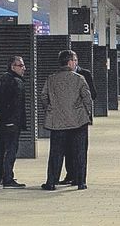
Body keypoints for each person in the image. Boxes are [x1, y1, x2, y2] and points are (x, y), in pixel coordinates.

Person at [41, 50, 93, 191]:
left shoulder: (51, 79)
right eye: (74, 60)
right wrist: (87, 114)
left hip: (57, 123)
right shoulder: (79, 78)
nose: (76, 63)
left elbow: (44, 97)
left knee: (56, 154)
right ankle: (80, 182)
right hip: (78, 122)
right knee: (80, 152)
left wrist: (51, 110)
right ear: (69, 62)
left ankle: (51, 182)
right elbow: (87, 99)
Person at [0, 55, 28, 188]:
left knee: (1, 149)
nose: (24, 68)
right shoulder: (17, 82)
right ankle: (8, 179)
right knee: (11, 150)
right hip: (11, 122)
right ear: (12, 67)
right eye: (20, 66)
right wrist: (14, 120)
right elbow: (17, 105)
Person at [59, 59, 97, 185]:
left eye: (75, 60)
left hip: (80, 119)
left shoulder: (84, 74)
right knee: (67, 149)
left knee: (79, 149)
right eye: (72, 60)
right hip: (64, 118)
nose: (74, 62)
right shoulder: (59, 75)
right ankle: (70, 174)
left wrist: (86, 113)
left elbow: (92, 95)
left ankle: (79, 178)